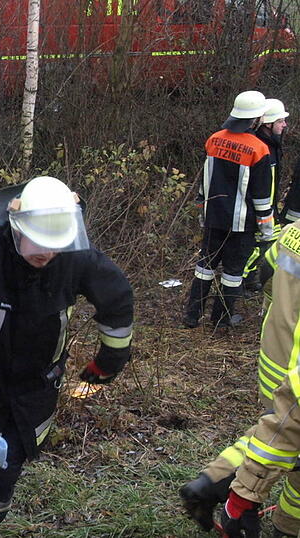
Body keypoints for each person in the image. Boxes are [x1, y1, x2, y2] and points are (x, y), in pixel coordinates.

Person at [0, 176, 134, 537]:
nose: (47, 253)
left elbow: (116, 298)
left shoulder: (71, 253)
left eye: (55, 245)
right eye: (38, 243)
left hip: (32, 394)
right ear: (17, 226)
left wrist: (109, 362)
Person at [180, 220, 300, 537]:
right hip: (296, 374)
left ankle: (210, 483)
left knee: (274, 433)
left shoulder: (292, 233)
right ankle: (283, 527)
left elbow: (263, 272)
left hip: (275, 362)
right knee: (283, 436)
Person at [182, 90, 275, 330]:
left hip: (213, 217)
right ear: (255, 119)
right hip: (241, 224)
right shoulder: (259, 149)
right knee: (233, 273)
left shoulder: (214, 140)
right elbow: (262, 195)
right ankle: (221, 320)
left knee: (205, 266)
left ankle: (192, 316)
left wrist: (202, 209)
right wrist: (267, 228)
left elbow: (204, 179)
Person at [242, 98, 289, 292]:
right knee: (257, 245)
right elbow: (261, 187)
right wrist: (266, 215)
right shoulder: (263, 148)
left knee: (266, 243)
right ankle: (242, 281)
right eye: (280, 121)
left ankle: (250, 279)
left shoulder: (272, 144)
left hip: (267, 208)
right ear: (267, 124)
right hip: (258, 210)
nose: (284, 125)